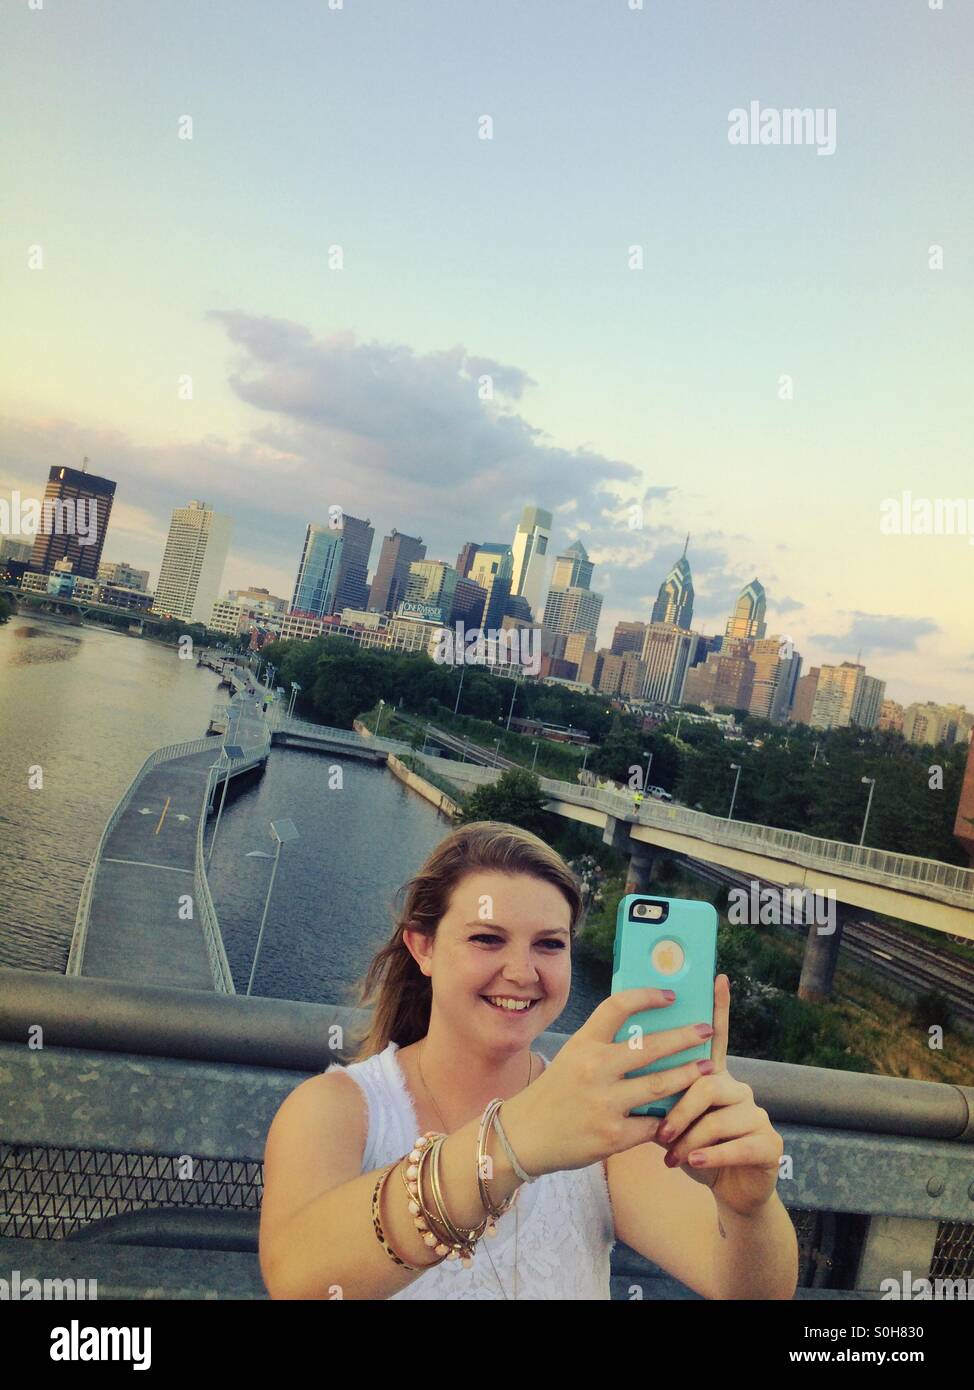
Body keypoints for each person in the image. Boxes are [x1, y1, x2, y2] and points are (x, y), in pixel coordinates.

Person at [259, 821, 798, 1300]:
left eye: (549, 945)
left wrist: (747, 1210)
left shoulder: (608, 1123)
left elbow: (747, 1290)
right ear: (423, 947)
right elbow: (299, 1281)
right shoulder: (336, 1109)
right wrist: (514, 1141)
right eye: (487, 938)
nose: (522, 971)